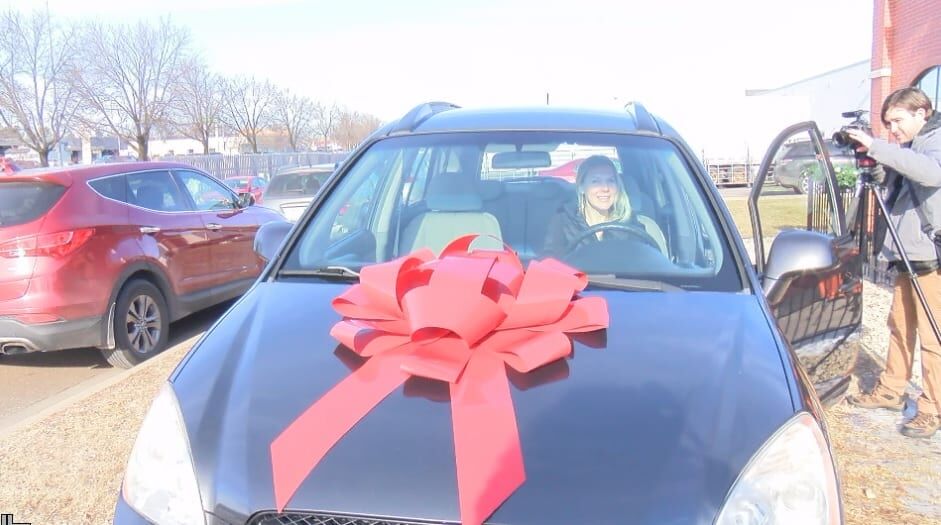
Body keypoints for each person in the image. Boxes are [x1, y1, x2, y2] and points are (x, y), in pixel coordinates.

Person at [845, 86, 941, 439]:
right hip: (906, 253)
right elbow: (901, 183)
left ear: (922, 113)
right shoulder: (909, 148)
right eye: (887, 123)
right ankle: (891, 389)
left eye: (898, 120)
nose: (893, 129)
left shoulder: (935, 142)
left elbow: (931, 174)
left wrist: (877, 146)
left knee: (934, 335)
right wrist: (876, 166)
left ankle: (932, 407)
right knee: (899, 325)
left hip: (930, 256)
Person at [542, 155, 665, 257]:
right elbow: (551, 265)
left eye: (610, 181)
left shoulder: (630, 223)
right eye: (596, 181)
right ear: (581, 188)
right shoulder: (563, 221)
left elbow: (645, 260)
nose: (605, 188)